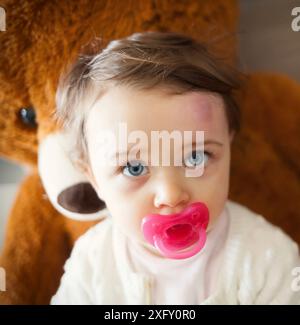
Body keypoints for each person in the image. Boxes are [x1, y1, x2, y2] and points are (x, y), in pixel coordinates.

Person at [50, 31, 300, 304]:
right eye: (134, 168)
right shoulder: (92, 263)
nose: (170, 194)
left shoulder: (267, 257)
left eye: (196, 157)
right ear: (94, 179)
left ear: (229, 144)